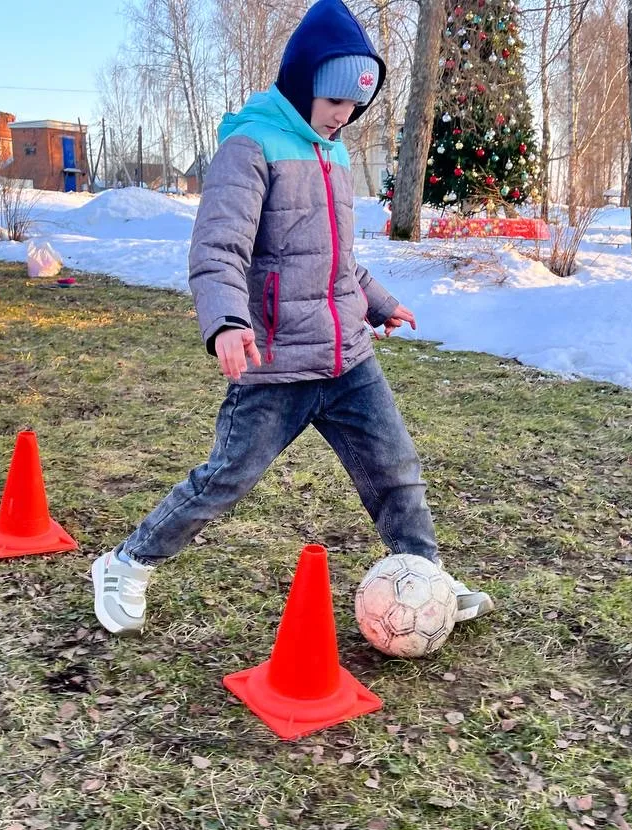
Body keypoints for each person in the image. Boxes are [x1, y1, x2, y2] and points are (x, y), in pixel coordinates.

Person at [90, 0, 494, 635]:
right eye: (334, 100)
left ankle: (427, 580)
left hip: (347, 359)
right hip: (275, 362)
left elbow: (337, 260)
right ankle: (126, 563)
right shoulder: (249, 147)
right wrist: (227, 322)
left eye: (355, 104)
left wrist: (379, 302)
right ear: (303, 83)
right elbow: (218, 250)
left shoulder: (335, 156)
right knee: (226, 477)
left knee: (396, 472)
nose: (344, 115)